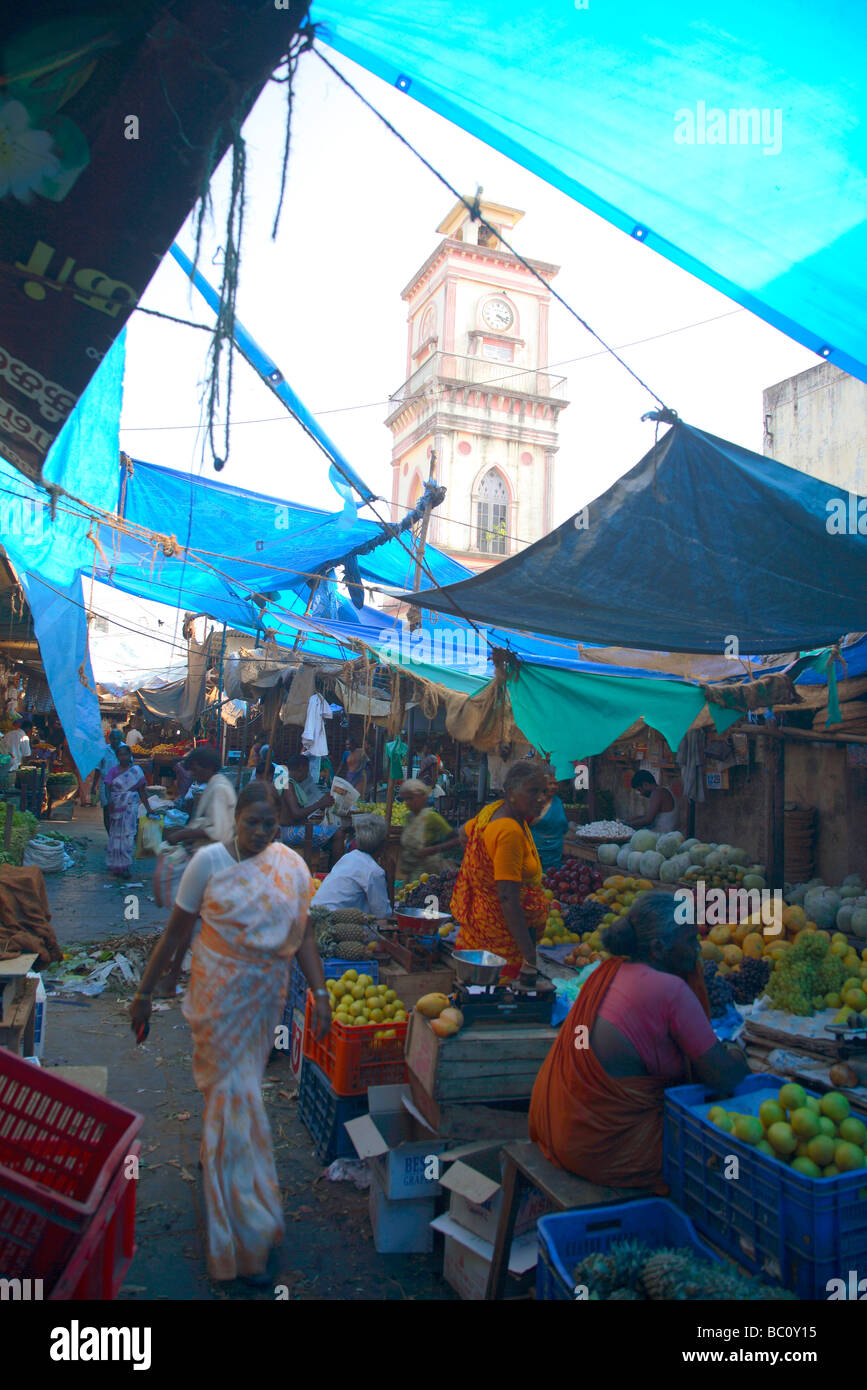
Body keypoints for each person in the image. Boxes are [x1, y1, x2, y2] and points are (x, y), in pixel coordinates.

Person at [130, 781, 330, 1285]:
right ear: (235, 820)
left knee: (231, 1105)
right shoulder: (208, 864)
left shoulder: (290, 866)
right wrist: (145, 993)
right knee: (240, 1103)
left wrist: (321, 995)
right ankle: (248, 1236)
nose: (262, 832)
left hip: (264, 1006)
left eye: (270, 824)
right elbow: (176, 932)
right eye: (253, 822)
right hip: (219, 1004)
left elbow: (303, 933)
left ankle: (222, 1180)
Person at [529, 892, 747, 1191]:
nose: (698, 949)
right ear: (658, 948)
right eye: (690, 941)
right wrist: (737, 1058)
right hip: (607, 1150)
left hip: (560, 1127)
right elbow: (722, 1077)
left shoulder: (608, 969)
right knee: (734, 1142)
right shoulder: (669, 990)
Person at [451, 761, 550, 981]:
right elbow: (507, 897)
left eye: (544, 791)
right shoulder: (509, 831)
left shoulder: (492, 812)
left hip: (479, 932)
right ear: (511, 792)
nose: (541, 798)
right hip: (501, 949)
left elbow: (463, 832)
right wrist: (530, 957)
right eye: (533, 791)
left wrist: (483, 871)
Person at [311, 817, 391, 921]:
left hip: (314, 915)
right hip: (331, 923)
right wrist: (390, 877)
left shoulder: (348, 857)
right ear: (383, 844)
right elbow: (383, 914)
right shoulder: (374, 871)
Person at [163, 747, 237, 853]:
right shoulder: (212, 785)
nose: (192, 774)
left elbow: (217, 830)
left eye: (195, 769)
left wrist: (182, 834)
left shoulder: (219, 788)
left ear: (209, 767)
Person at [397, 778, 460, 883]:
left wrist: (432, 849)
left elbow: (456, 840)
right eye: (405, 799)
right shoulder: (409, 818)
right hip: (412, 873)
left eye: (410, 798)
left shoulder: (431, 817)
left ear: (422, 797)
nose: (407, 803)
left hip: (428, 873)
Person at [279, 753, 342, 856]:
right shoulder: (287, 785)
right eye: (307, 770)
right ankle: (335, 871)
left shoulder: (286, 782)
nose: (307, 774)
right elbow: (296, 813)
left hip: (291, 828)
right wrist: (319, 804)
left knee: (329, 833)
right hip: (288, 832)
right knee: (337, 833)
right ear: (301, 768)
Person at [104, 744, 153, 876]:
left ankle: (125, 866)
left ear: (129, 755)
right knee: (116, 835)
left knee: (128, 836)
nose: (123, 757)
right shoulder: (113, 771)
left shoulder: (136, 771)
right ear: (117, 756)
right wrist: (109, 802)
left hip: (130, 808)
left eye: (125, 754)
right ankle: (115, 864)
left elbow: (142, 791)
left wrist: (149, 809)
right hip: (116, 807)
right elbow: (107, 787)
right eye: (120, 754)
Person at [530, 770, 569, 873]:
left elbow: (563, 826)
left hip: (556, 854)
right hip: (537, 853)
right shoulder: (533, 802)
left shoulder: (558, 802)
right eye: (550, 783)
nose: (553, 787)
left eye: (555, 784)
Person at [92, 728, 124, 829]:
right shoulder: (104, 750)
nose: (115, 741)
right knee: (106, 810)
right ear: (109, 739)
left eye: (117, 739)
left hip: (121, 785)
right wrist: (93, 786)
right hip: (105, 783)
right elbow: (98, 768)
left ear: (121, 739)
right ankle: (110, 835)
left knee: (119, 810)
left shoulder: (125, 749)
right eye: (113, 738)